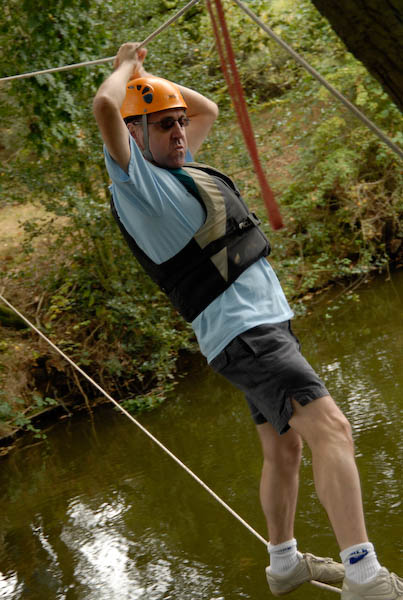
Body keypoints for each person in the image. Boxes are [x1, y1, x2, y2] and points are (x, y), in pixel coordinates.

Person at [93, 42, 403, 599]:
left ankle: (284, 564)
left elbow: (207, 108)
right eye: (164, 125)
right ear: (133, 136)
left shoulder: (177, 169)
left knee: (285, 447)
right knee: (333, 430)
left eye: (178, 123)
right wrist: (123, 72)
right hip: (248, 334)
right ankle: (365, 577)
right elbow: (104, 108)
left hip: (262, 328)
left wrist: (146, 78)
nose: (180, 131)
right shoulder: (139, 188)